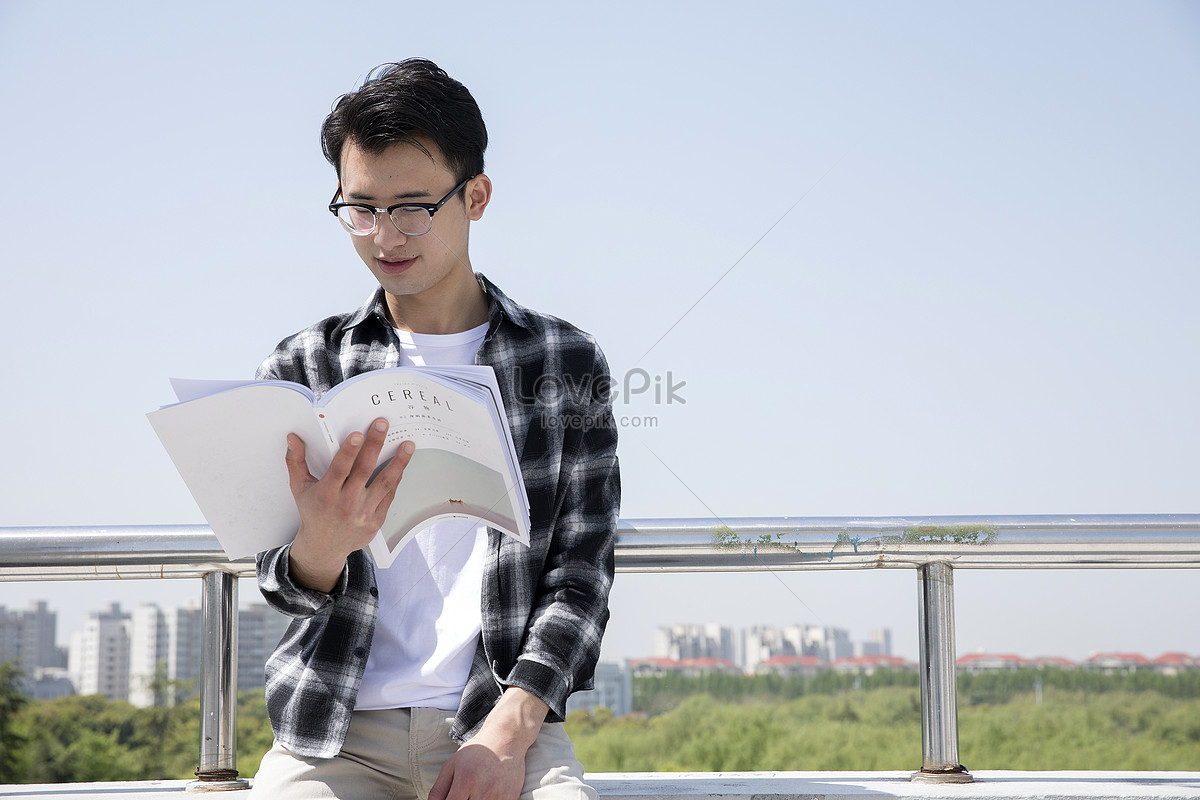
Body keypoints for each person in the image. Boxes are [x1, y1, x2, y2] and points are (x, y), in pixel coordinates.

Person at [249, 59, 621, 800]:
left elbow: (581, 577)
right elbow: (280, 585)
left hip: (505, 720)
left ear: (475, 196)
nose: (386, 235)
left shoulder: (564, 359)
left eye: (413, 206)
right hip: (336, 731)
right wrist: (319, 548)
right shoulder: (304, 363)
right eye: (361, 208)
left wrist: (508, 733)